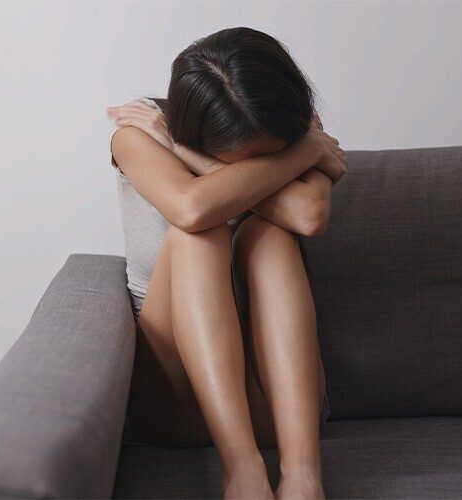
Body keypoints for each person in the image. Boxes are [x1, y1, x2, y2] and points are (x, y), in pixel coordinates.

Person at [106, 27, 346, 500]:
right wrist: (304, 155)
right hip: (172, 399)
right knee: (198, 236)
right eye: (239, 160)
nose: (257, 167)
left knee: (268, 234)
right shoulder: (138, 132)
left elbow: (307, 215)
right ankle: (242, 472)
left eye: (270, 156)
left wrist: (185, 151)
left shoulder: (293, 127)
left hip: (277, 407)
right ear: (195, 132)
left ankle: (302, 477)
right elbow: (192, 208)